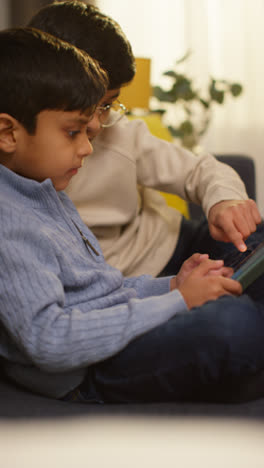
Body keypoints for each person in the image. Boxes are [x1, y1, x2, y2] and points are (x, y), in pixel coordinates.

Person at [1, 26, 264, 405]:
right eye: (74, 132)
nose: (89, 145)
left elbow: (103, 290)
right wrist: (177, 302)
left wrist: (172, 286)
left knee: (236, 306)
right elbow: (50, 340)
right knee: (234, 324)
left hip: (111, 337)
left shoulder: (43, 188)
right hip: (84, 372)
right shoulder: (11, 222)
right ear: (8, 133)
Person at [28, 0, 263, 279]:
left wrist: (224, 201)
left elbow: (199, 170)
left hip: (175, 244)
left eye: (106, 105)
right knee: (227, 318)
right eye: (84, 106)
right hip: (120, 282)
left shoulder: (121, 132)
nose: (94, 124)